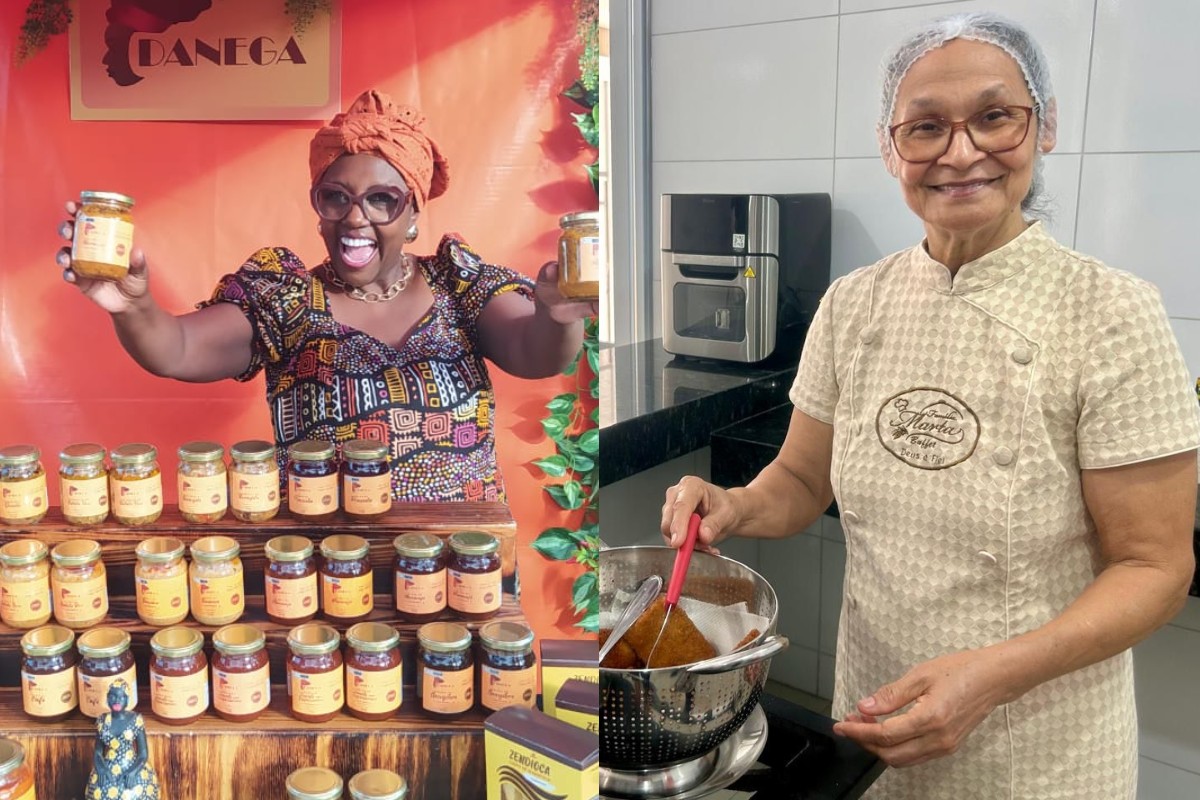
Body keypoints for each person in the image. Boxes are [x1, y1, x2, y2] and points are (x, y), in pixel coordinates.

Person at [660, 13, 1199, 799]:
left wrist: (990, 677)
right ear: (891, 148)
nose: (960, 152)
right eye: (925, 128)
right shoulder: (854, 304)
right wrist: (733, 507)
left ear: (1043, 126)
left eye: (993, 117)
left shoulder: (1112, 312)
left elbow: (1154, 567)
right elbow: (804, 484)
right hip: (877, 715)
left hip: (1040, 741)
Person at [57, 89, 595, 502]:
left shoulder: (459, 285)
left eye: (382, 200)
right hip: (325, 574)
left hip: (463, 571)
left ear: (413, 215)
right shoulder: (286, 298)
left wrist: (556, 314)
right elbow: (176, 349)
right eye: (335, 197)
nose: (355, 218)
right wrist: (133, 306)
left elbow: (537, 351)